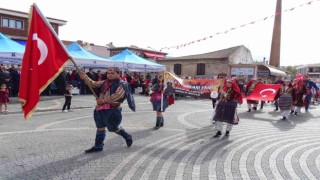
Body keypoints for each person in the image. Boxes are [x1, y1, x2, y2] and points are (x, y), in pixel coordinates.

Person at [80, 67, 133, 153]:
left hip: (112, 110)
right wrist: (85, 77)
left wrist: (103, 101)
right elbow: (93, 84)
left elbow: (117, 96)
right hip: (100, 109)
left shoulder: (122, 84)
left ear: (118, 74)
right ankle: (98, 145)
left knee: (113, 128)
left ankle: (127, 136)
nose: (110, 75)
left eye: (112, 73)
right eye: (108, 73)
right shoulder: (104, 82)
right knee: (100, 127)